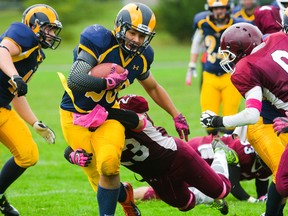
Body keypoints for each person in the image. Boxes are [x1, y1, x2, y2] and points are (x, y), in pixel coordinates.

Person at [58, 3, 190, 216]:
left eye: (142, 35)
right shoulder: (99, 40)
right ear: (119, 27)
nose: (136, 40)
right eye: (132, 32)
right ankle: (125, 194)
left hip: (108, 115)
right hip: (74, 115)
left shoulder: (142, 55)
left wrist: (176, 114)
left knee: (109, 167)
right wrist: (105, 83)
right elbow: (75, 79)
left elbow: (153, 87)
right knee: (96, 178)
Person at [64, 94, 233, 215]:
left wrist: (105, 113)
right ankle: (210, 200)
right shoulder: (91, 125)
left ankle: (219, 151)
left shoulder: (125, 111)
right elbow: (71, 148)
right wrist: (74, 156)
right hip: (154, 176)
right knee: (185, 204)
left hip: (176, 157)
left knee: (222, 190)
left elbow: (137, 121)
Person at [200, 21, 288, 216]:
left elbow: (251, 113)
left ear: (242, 50)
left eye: (230, 54)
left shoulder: (247, 67)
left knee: (284, 176)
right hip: (266, 124)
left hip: (275, 121)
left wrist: (217, 121)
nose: (229, 60)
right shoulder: (278, 38)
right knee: (283, 173)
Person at [0, 4, 62, 216]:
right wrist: (14, 75)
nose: (52, 34)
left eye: (54, 30)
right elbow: (1, 51)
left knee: (28, 154)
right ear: (34, 25)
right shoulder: (22, 33)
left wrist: (34, 122)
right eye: (49, 28)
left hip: (3, 109)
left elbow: (16, 93)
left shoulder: (36, 54)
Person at [133, 132, 271, 203]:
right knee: (174, 193)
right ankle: (124, 195)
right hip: (196, 154)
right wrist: (251, 200)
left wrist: (262, 198)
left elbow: (262, 186)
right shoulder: (242, 152)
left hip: (209, 161)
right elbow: (232, 184)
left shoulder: (267, 164)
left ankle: (123, 194)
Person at [186, 0, 244, 135]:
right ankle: (215, 147)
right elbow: (196, 43)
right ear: (210, 9)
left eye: (222, 8)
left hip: (230, 76)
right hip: (210, 75)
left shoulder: (236, 24)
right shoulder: (203, 23)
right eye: (216, 8)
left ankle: (231, 147)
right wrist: (192, 64)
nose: (219, 11)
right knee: (208, 120)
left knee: (231, 120)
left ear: (228, 8)